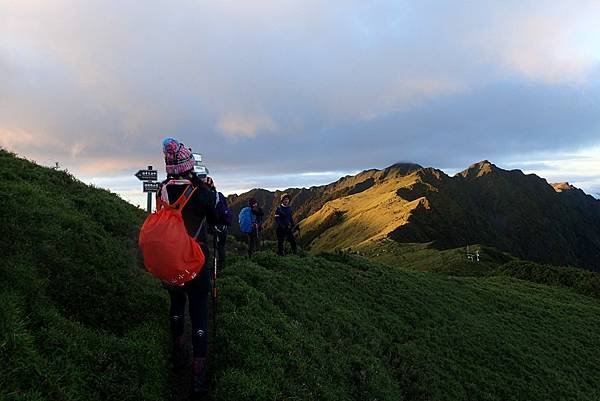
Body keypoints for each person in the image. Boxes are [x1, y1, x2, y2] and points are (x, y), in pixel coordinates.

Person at [159, 137, 218, 398]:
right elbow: (218, 220)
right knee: (199, 312)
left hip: (171, 260)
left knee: (176, 305)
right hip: (197, 260)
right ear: (187, 164)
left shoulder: (162, 189)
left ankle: (178, 351)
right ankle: (198, 377)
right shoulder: (201, 192)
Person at [206, 176, 231, 271]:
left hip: (210, 226)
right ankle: (222, 268)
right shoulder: (219, 195)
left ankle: (211, 269)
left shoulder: (204, 196)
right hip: (222, 227)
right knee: (221, 247)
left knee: (210, 247)